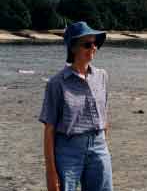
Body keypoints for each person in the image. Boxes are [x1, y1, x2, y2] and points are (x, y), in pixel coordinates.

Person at [39, 21, 113, 191]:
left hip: (99, 147)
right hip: (68, 151)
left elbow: (104, 115)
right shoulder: (56, 83)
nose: (93, 48)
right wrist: (51, 172)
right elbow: (49, 129)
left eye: (95, 43)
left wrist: (103, 146)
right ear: (73, 48)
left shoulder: (102, 76)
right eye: (87, 44)